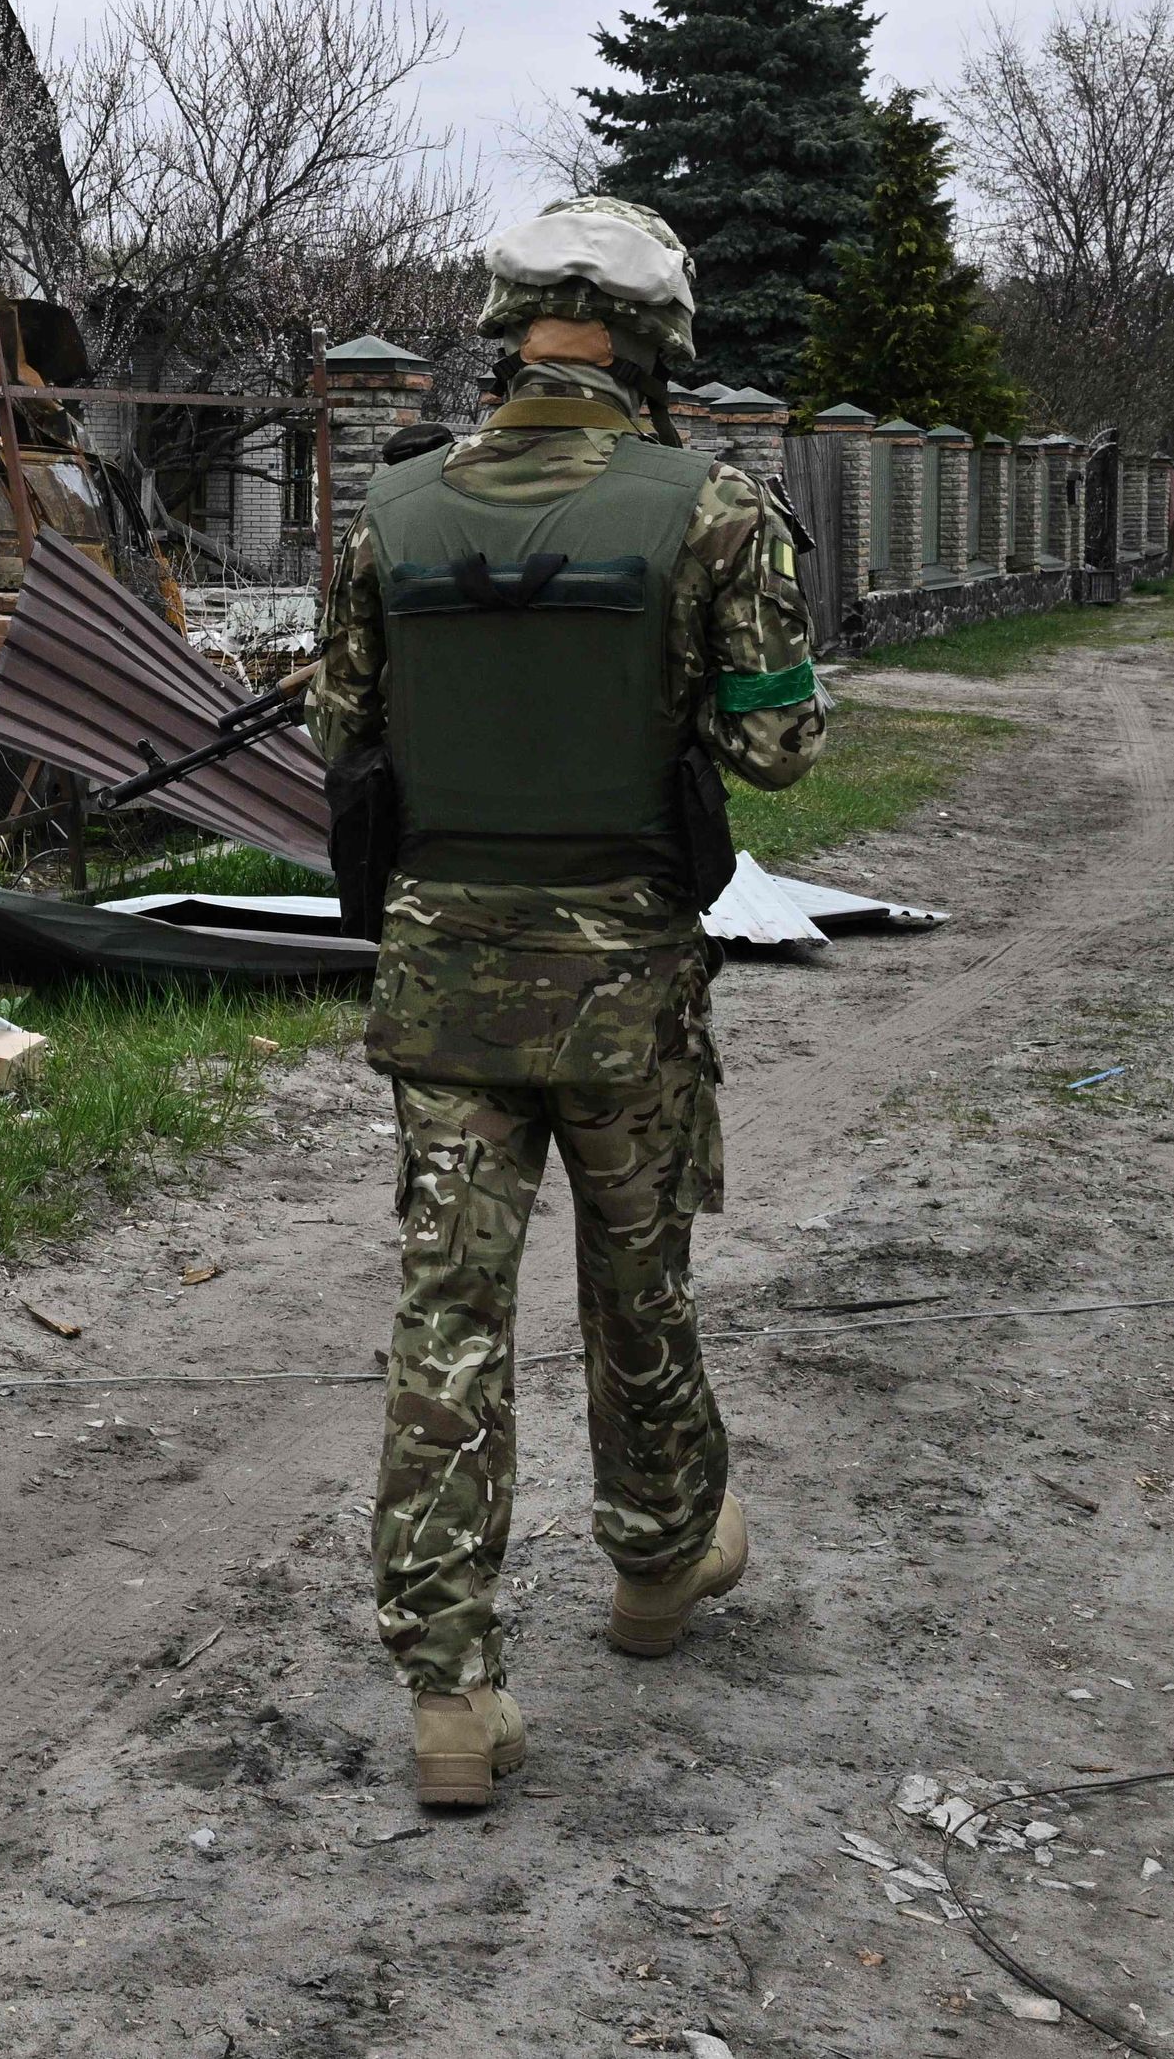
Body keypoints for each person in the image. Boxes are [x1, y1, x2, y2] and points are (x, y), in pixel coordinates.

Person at [303, 195, 828, 1810]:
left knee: (447, 1322)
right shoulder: (717, 510)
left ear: (505, 333)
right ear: (656, 344)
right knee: (638, 1287)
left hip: (446, 989)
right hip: (626, 993)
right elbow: (777, 750)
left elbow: (339, 732)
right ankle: (657, 1564)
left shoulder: (391, 512)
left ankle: (450, 1695)